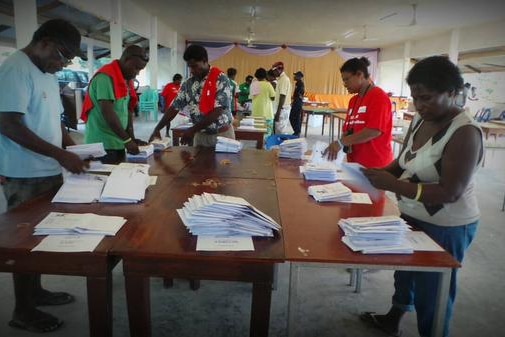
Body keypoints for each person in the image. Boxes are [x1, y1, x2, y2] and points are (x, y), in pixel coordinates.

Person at [360, 56, 483, 337]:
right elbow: (403, 162)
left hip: (448, 225)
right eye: (415, 97)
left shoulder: (464, 132)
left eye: (426, 97)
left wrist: (393, 185)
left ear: (452, 93)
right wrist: (375, 173)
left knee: (434, 291)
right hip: (413, 213)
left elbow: (450, 192)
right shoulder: (419, 119)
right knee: (404, 273)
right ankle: (394, 317)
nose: (419, 105)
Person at [0, 19, 89, 333]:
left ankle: (35, 293)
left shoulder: (47, 74)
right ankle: (22, 310)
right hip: (24, 174)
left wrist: (73, 148)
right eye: (62, 56)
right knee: (23, 244)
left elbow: (55, 120)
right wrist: (59, 154)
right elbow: (8, 124)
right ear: (45, 42)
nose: (62, 64)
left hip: (48, 171)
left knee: (38, 240)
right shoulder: (16, 69)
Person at [149, 44, 234, 147]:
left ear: (204, 61)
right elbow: (174, 107)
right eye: (189, 66)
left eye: (194, 66)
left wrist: (192, 130)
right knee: (198, 163)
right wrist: (157, 128)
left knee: (224, 163)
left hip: (222, 135)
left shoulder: (220, 79)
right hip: (200, 136)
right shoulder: (188, 83)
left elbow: (217, 111)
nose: (192, 71)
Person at [82, 45, 149, 164]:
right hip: (103, 144)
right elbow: (108, 113)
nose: (137, 73)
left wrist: (131, 138)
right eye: (136, 68)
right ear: (126, 59)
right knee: (106, 180)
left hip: (118, 141)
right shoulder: (105, 77)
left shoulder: (126, 80)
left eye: (140, 69)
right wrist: (127, 140)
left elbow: (127, 110)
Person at [323, 57, 393, 168]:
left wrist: (341, 142)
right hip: (355, 163)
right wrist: (341, 142)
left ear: (360, 75)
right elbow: (349, 131)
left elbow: (374, 131)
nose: (344, 84)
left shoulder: (379, 97)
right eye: (343, 80)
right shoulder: (353, 101)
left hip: (375, 165)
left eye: (347, 79)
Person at [250, 67, 276, 136]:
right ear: (265, 76)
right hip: (267, 114)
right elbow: (273, 97)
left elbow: (251, 98)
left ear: (256, 76)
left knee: (257, 134)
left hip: (256, 113)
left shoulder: (253, 84)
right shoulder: (268, 85)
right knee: (267, 134)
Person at [271, 61, 293, 134]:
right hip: (280, 108)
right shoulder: (280, 79)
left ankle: (281, 145)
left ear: (278, 70)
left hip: (282, 109)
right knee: (277, 130)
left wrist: (278, 112)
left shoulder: (284, 79)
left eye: (274, 71)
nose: (273, 73)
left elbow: (282, 96)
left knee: (280, 131)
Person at [290, 71, 305, 136]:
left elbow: (300, 94)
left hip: (298, 102)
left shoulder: (300, 84)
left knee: (294, 117)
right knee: (294, 117)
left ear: (299, 77)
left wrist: (295, 100)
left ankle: (297, 131)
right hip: (296, 101)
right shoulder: (298, 83)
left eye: (295, 75)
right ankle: (296, 131)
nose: (294, 76)